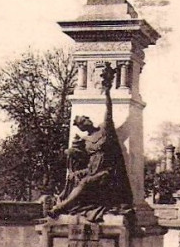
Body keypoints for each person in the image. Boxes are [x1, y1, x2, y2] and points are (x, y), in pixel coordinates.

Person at [48, 63, 133, 221]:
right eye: (83, 121)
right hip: (94, 173)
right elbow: (86, 163)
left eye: (85, 118)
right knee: (78, 179)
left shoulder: (104, 130)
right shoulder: (87, 143)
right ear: (82, 127)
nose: (86, 120)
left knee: (85, 183)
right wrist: (75, 169)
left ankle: (59, 208)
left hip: (108, 174)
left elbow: (109, 112)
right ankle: (63, 207)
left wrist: (107, 92)